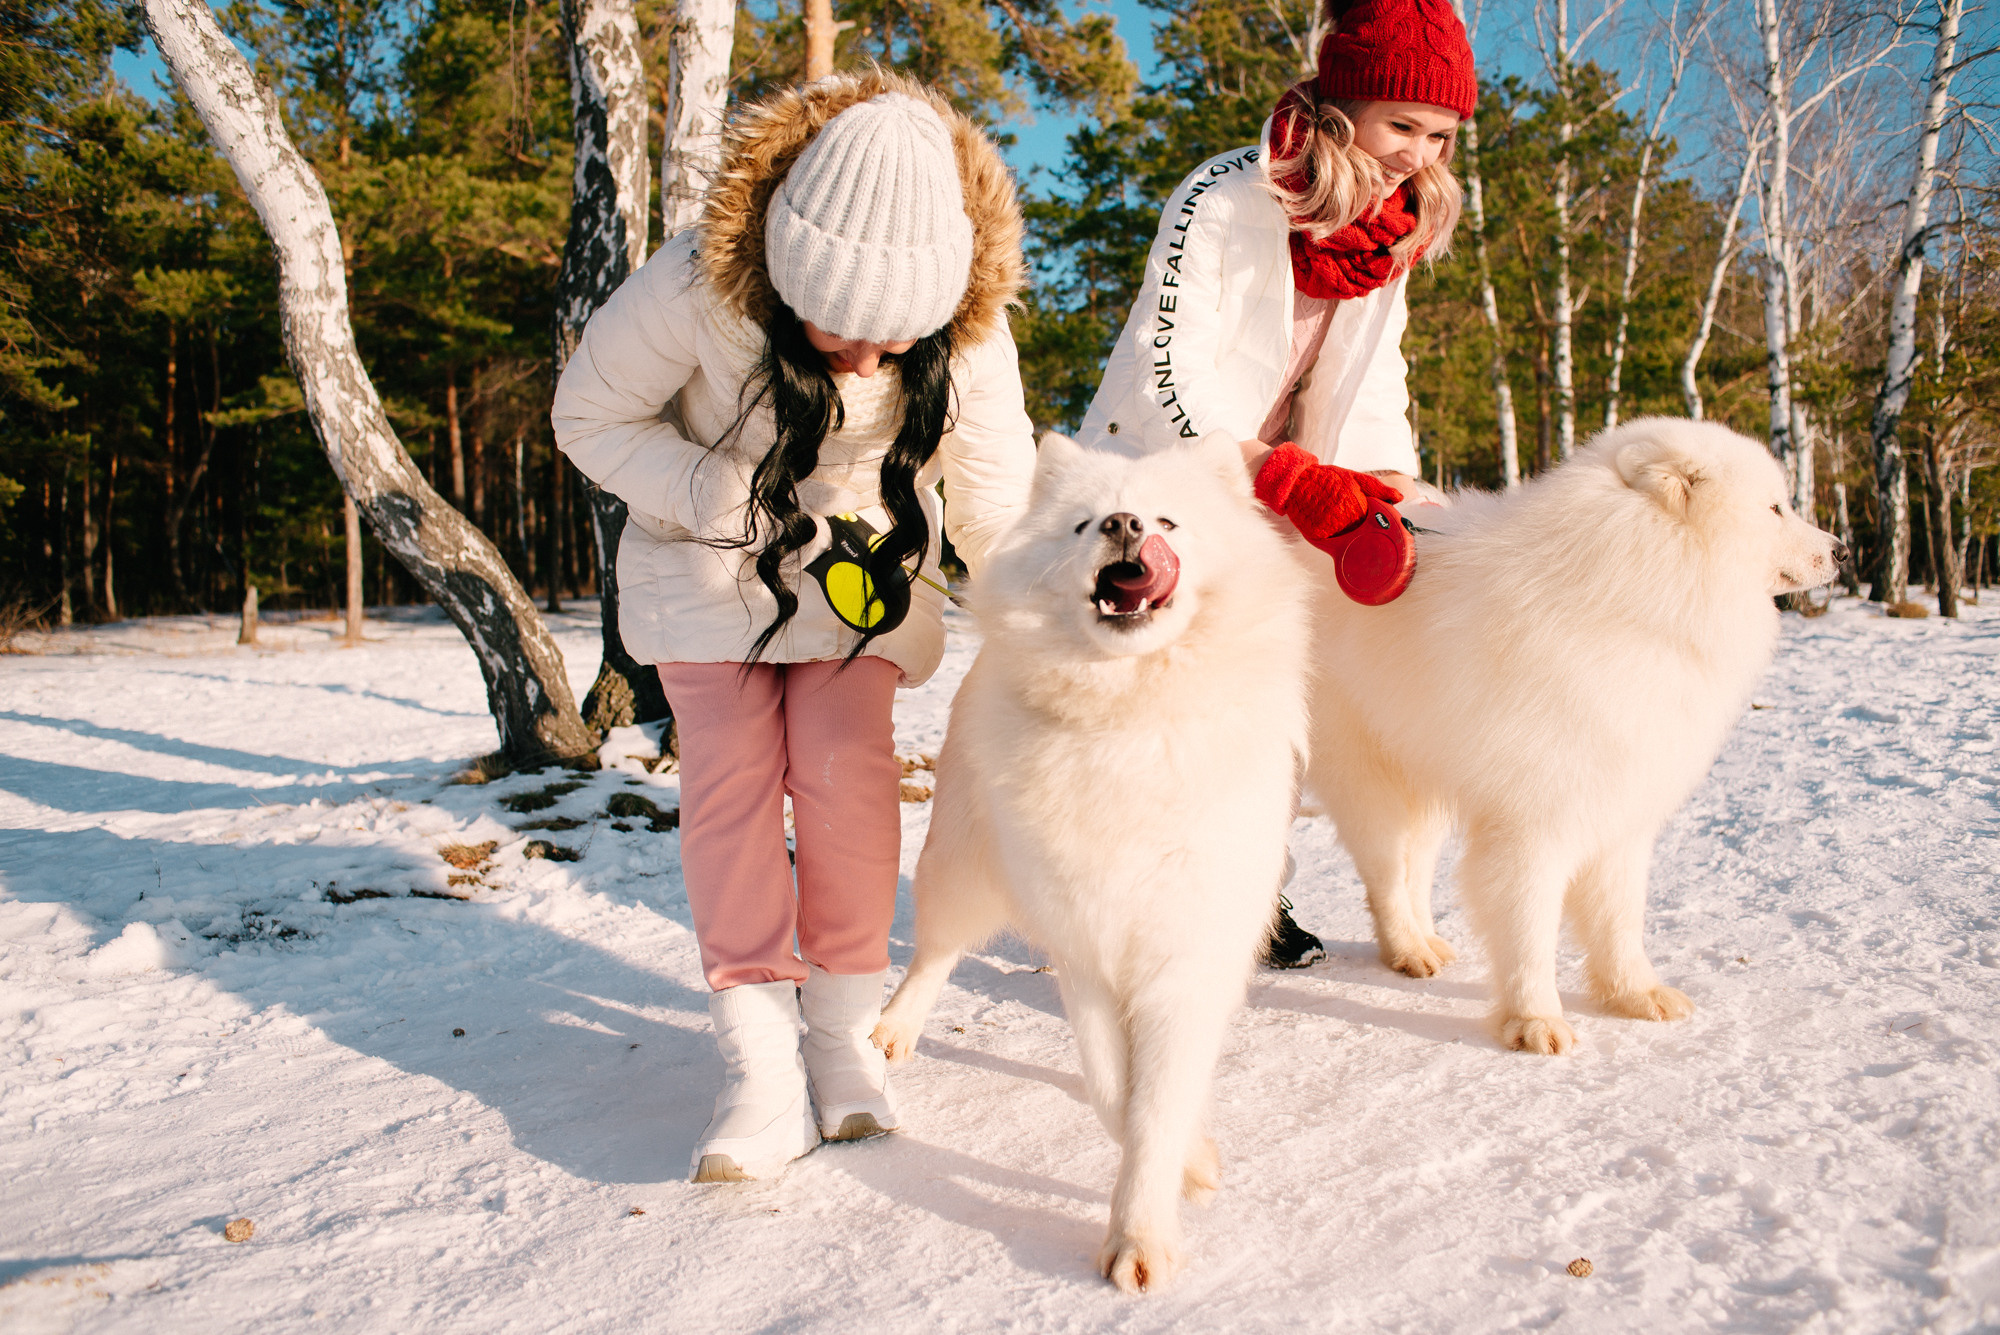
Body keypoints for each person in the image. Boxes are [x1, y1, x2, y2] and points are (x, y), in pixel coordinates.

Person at [552, 72, 1037, 1182]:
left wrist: (1036, 607)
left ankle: (841, 1038)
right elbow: (588, 414)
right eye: (838, 328)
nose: (865, 361)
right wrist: (722, 498)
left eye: (891, 339)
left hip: (858, 582)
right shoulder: (693, 281)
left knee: (847, 782)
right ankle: (759, 1062)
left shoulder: (969, 332)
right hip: (699, 571)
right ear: (782, 266)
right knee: (728, 788)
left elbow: (998, 499)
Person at [1079, 0, 1476, 966]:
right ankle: (1103, 894)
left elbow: (1378, 373)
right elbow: (1162, 365)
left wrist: (1386, 476)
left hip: (1293, 499)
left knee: (1274, 699)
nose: (1417, 154)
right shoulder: (1223, 196)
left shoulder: (1394, 234)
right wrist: (1267, 471)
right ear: (1344, 104)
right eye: (1401, 126)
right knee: (1144, 695)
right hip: (1170, 476)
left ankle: (1250, 894)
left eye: (1439, 136)